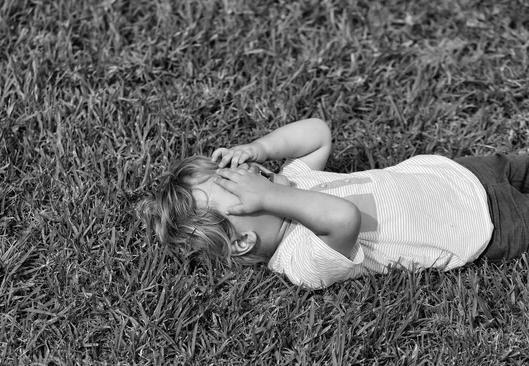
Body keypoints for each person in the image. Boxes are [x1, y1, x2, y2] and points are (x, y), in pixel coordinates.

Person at [141, 118, 529, 289]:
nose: (248, 175)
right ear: (242, 241)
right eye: (236, 186)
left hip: (458, 174)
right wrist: (273, 194)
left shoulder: (293, 181)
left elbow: (318, 133)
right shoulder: (302, 261)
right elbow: (343, 218)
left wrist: (259, 147)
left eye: (232, 170)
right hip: (486, 225)